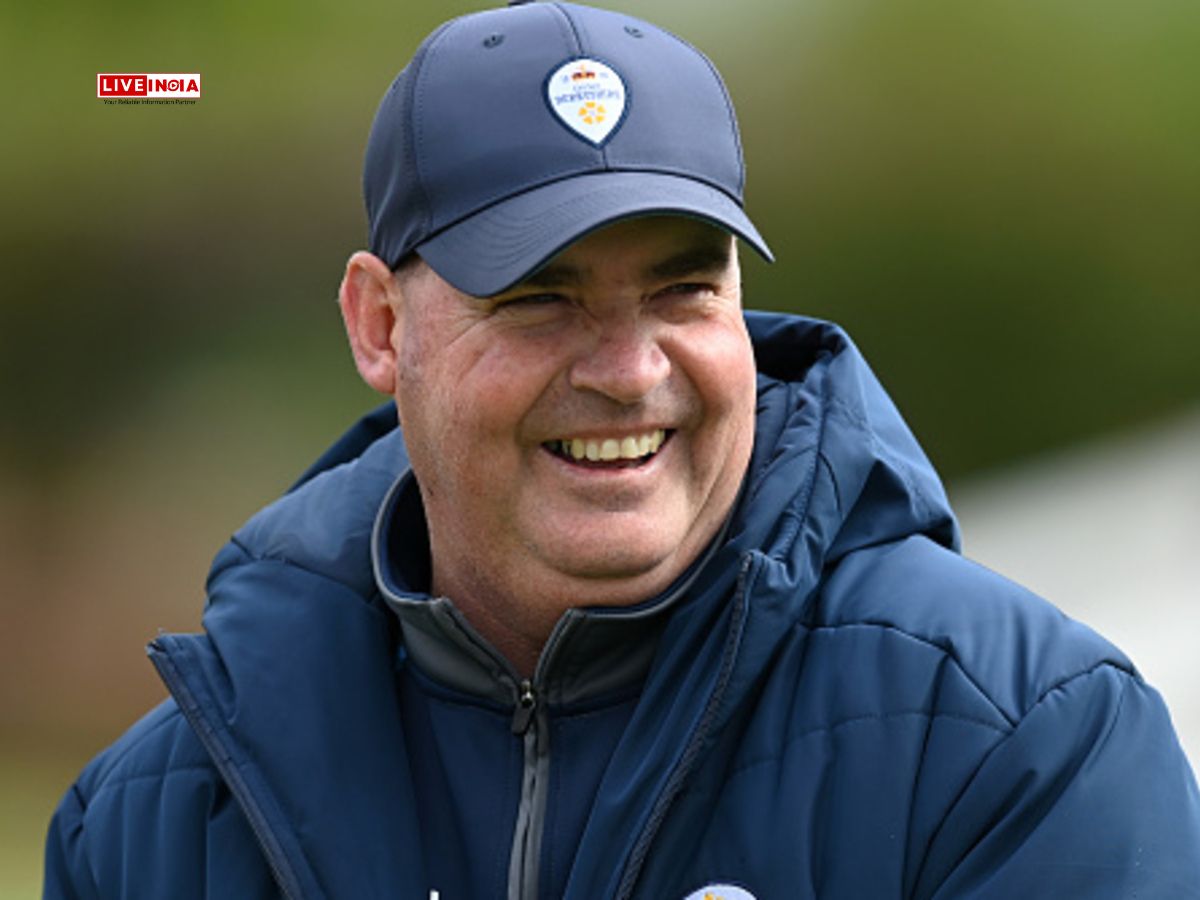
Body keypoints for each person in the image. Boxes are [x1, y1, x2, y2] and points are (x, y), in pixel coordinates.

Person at [45, 2, 1200, 898]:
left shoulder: (1024, 738)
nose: (631, 369)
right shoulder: (151, 823)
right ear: (380, 327)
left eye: (684, 288)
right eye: (540, 297)